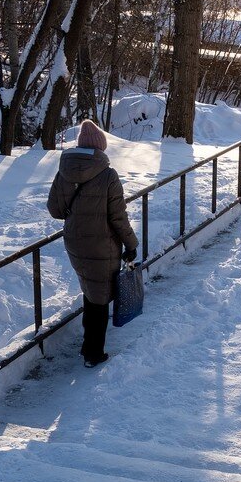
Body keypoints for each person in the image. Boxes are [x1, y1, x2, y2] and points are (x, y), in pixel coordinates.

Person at [47, 120, 138, 368]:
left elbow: (55, 209)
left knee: (91, 291)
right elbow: (118, 217)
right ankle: (93, 354)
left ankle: (88, 347)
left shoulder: (63, 172)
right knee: (99, 299)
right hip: (103, 244)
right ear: (100, 147)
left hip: (76, 243)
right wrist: (131, 244)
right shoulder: (108, 175)